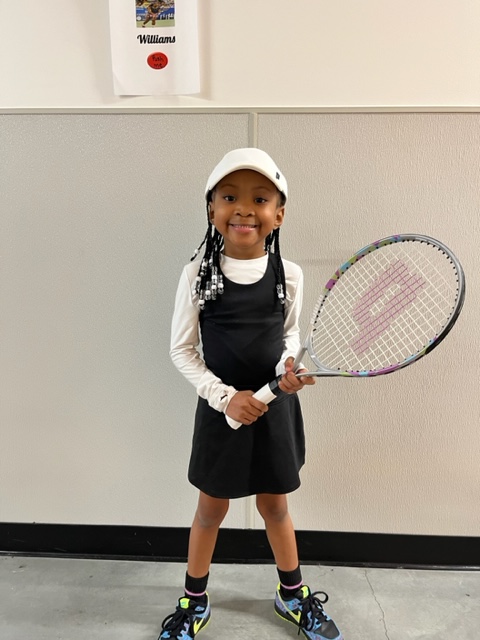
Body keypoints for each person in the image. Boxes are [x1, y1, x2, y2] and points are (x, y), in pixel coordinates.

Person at [161, 148, 343, 640]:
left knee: (275, 507)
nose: (243, 208)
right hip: (221, 413)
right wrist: (225, 398)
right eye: (229, 197)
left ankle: (292, 595)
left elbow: (289, 335)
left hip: (274, 410)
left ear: (278, 214)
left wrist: (288, 368)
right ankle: (193, 602)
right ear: (211, 209)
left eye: (260, 199)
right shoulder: (197, 274)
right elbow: (182, 351)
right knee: (210, 511)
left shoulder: (290, 274)